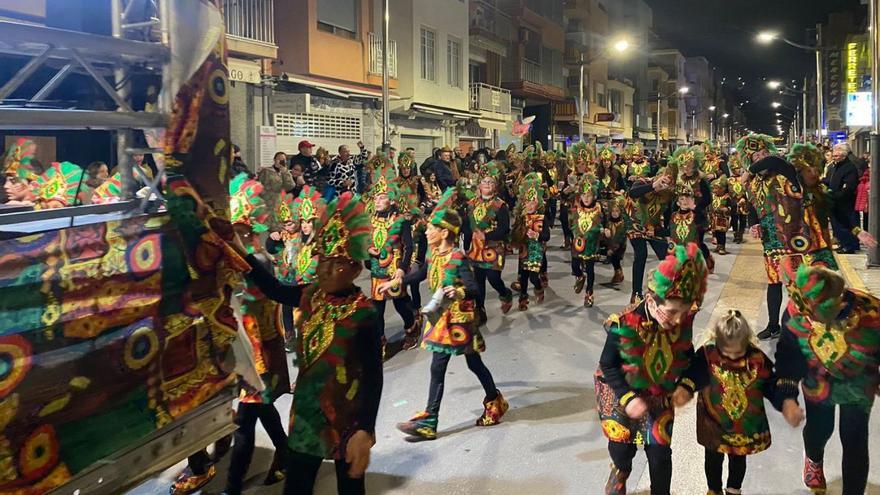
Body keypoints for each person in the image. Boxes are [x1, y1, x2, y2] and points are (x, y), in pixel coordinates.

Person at [229, 192, 383, 495]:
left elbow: (373, 375)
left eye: (336, 263)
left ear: (355, 269)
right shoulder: (311, 295)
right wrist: (241, 252)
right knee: (296, 488)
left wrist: (366, 428)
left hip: (346, 418)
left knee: (351, 489)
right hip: (306, 416)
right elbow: (273, 288)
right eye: (323, 260)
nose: (325, 270)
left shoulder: (363, 313)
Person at [379, 189, 508, 441]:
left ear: (445, 233)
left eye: (431, 229)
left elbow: (473, 290)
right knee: (445, 367)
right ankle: (437, 416)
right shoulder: (433, 253)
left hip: (460, 320)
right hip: (442, 319)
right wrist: (398, 281)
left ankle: (487, 402)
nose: (426, 232)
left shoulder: (458, 257)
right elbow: (422, 274)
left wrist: (457, 289)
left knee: (470, 363)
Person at [596, 242, 708, 495]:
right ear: (651, 300)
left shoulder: (681, 322)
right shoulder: (623, 324)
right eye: (671, 312)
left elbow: (688, 357)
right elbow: (608, 364)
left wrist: (686, 385)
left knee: (659, 452)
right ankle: (620, 469)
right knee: (624, 445)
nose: (678, 320)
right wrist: (628, 397)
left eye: (682, 312)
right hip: (619, 387)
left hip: (658, 388)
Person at [776, 263, 880, 495]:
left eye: (814, 313)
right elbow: (787, 356)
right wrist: (788, 397)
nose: (810, 318)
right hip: (818, 382)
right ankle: (813, 457)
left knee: (854, 438)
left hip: (859, 382)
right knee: (820, 429)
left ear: (838, 303)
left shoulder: (871, 311)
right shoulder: (797, 311)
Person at [224, 173, 291, 495]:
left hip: (259, 351)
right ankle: (287, 454)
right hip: (244, 351)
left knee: (246, 419)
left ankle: (232, 486)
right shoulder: (240, 262)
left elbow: (265, 299)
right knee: (260, 409)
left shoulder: (258, 262)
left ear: (247, 231)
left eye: (235, 232)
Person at [673, 310, 784, 495]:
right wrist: (685, 387)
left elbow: (770, 383)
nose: (732, 356)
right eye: (727, 351)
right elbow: (693, 373)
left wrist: (784, 399)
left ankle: (734, 489)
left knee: (738, 457)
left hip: (743, 424)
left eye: (738, 351)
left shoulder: (756, 359)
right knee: (713, 457)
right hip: (713, 420)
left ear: (746, 340)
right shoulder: (708, 354)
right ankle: (713, 489)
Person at [366, 157, 417, 353]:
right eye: (376, 197)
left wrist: (402, 269)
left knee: (400, 303)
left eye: (382, 197)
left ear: (392, 200)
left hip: (394, 268)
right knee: (377, 308)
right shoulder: (370, 219)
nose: (377, 201)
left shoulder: (400, 220)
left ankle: (411, 327)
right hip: (377, 269)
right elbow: (365, 241)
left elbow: (409, 246)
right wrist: (368, 250)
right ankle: (380, 341)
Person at [465, 160, 514, 325]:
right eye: (484, 181)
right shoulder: (471, 204)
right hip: (475, 249)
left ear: (495, 186)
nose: (486, 184)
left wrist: (487, 236)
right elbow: (467, 227)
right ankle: (480, 310)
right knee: (478, 280)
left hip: (494, 247)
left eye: (490, 182)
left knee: (493, 278)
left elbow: (504, 229)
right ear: (479, 184)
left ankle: (504, 293)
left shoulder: (501, 206)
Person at [626, 163, 674, 304]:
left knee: (667, 255)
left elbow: (670, 218)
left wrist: (662, 232)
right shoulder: (643, 182)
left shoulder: (668, 194)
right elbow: (632, 193)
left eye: (668, 183)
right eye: (663, 180)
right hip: (635, 224)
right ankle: (636, 293)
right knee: (641, 254)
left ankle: (666, 289)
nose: (664, 185)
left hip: (653, 226)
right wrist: (654, 185)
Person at [513, 171, 551, 311]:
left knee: (533, 277)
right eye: (527, 202)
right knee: (523, 277)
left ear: (538, 203)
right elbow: (514, 236)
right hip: (524, 251)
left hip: (536, 251)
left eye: (533, 202)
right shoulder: (520, 218)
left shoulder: (542, 218)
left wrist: (537, 236)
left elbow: (546, 236)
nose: (530, 205)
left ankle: (538, 287)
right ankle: (523, 299)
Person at [569, 172, 603, 308]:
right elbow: (573, 224)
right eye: (583, 195)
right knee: (575, 266)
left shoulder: (598, 209)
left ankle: (589, 292)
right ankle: (579, 276)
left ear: (594, 196)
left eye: (589, 196)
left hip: (591, 244)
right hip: (578, 243)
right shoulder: (577, 209)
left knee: (590, 269)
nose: (586, 198)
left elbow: (602, 223)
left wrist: (602, 230)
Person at [826, 143, 861, 253]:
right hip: (835, 201)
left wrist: (837, 195)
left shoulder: (849, 168)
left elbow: (849, 186)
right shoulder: (836, 166)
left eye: (837, 156)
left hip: (845, 202)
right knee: (838, 225)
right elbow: (831, 180)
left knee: (847, 224)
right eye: (834, 156)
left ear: (844, 156)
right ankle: (844, 243)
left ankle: (850, 245)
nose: (834, 158)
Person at [258, 151, 295, 231]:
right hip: (268, 203)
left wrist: (285, 172)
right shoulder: (267, 171)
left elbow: (290, 186)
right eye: (279, 159)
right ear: (274, 160)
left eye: (283, 160)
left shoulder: (285, 172)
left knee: (279, 228)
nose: (281, 161)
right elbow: (259, 187)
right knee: (269, 228)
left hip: (280, 204)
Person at [709, 177, 732, 255]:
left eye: (717, 188)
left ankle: (722, 246)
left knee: (721, 233)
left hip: (722, 219)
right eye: (714, 188)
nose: (714, 190)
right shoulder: (713, 196)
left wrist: (726, 209)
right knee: (716, 232)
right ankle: (718, 245)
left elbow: (730, 207)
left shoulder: (726, 197)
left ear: (722, 189)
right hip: (714, 218)